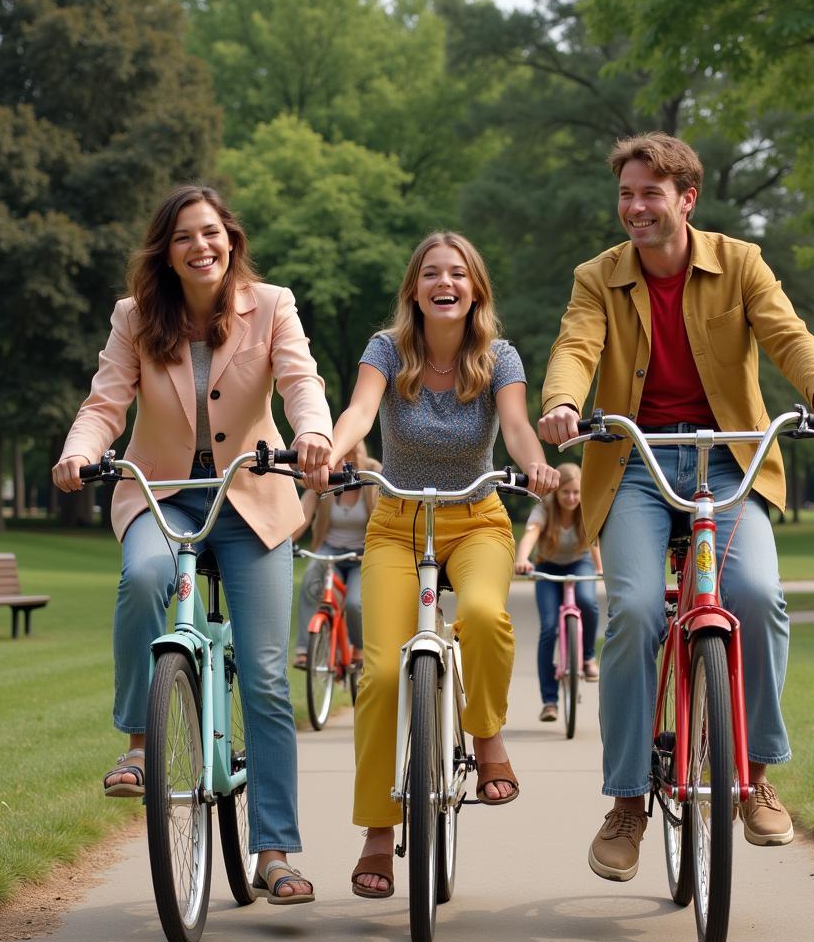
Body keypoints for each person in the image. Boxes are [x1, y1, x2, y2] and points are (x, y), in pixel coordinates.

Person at [538, 133, 814, 883]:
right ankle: (626, 803)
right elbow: (576, 348)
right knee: (634, 609)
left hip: (729, 461)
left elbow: (787, 335)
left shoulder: (740, 262)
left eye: (650, 192)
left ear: (687, 198)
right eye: (626, 193)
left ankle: (752, 773)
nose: (635, 207)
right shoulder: (599, 277)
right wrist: (561, 404)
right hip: (636, 465)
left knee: (756, 596)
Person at [52, 184, 332, 904]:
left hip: (253, 493)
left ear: (230, 239)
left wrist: (312, 434)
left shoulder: (272, 305)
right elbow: (105, 401)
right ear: (166, 252)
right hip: (163, 493)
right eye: (184, 237)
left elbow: (300, 379)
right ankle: (140, 747)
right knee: (144, 577)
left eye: (211, 232)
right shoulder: (136, 317)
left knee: (268, 675)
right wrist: (79, 451)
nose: (200, 246)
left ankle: (275, 851)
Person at [327, 231, 558, 898]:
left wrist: (533, 462)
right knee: (378, 675)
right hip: (396, 524)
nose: (444, 282)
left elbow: (515, 426)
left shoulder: (500, 357)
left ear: (474, 288)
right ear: (415, 289)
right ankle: (377, 833)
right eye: (431, 273)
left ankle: (486, 738)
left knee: (485, 615)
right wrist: (336, 449)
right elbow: (361, 410)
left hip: (476, 518)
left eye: (457, 273)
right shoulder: (386, 349)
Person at [514, 461, 603, 721]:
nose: (572, 498)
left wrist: (599, 568)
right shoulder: (544, 508)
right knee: (549, 628)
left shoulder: (585, 508)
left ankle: (587, 657)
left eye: (576, 492)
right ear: (556, 492)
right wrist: (523, 558)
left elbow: (593, 541)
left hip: (580, 562)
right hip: (547, 566)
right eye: (566, 492)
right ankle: (550, 701)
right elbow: (531, 534)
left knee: (588, 601)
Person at [291, 441, 379, 670]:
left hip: (361, 552)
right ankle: (304, 650)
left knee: (354, 603)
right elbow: (303, 515)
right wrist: (283, 543)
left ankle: (358, 648)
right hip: (329, 548)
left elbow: (383, 510)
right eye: (342, 455)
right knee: (310, 581)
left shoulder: (372, 475)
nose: (345, 462)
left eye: (351, 455)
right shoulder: (326, 475)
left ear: (360, 454)